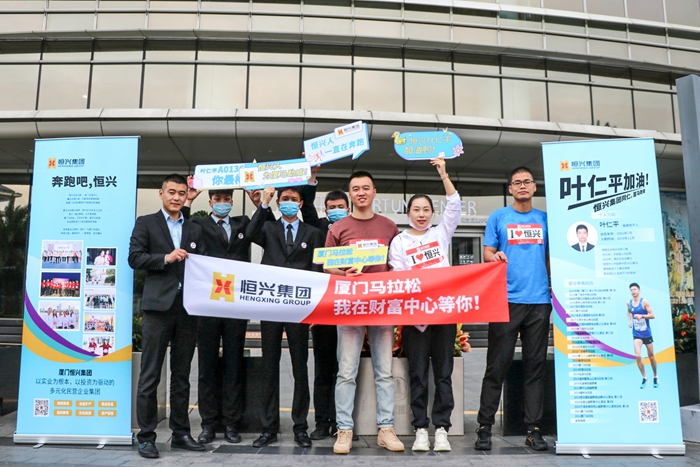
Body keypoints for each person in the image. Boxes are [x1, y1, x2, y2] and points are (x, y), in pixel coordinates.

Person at [182, 181, 275, 445]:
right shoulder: (198, 224)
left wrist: (262, 204)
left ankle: (232, 423)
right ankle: (208, 424)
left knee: (234, 365)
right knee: (207, 366)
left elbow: (266, 231)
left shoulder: (242, 223)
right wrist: (189, 200)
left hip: (235, 303)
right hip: (207, 304)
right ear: (210, 202)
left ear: (232, 202)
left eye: (227, 198)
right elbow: (182, 229)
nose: (223, 202)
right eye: (218, 198)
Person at [128, 173, 206, 459]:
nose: (176, 197)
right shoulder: (146, 223)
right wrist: (165, 258)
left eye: (181, 193)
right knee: (150, 375)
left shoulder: (194, 228)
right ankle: (146, 437)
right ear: (161, 194)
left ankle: (181, 433)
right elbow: (134, 258)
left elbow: (203, 264)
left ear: (187, 196)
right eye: (171, 192)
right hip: (157, 309)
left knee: (182, 375)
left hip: (187, 309)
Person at [326, 171, 404, 455]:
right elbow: (327, 265)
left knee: (385, 371)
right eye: (356, 188)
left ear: (374, 192)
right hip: (350, 307)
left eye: (366, 188)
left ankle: (386, 429)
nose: (361, 192)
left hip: (382, 306)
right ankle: (344, 430)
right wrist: (343, 272)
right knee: (346, 371)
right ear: (350, 194)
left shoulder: (389, 226)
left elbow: (398, 262)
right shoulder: (338, 227)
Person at [474, 166, 551, 452]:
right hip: (505, 301)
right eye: (516, 182)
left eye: (527, 182)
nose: (522, 186)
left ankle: (533, 429)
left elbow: (550, 257)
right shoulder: (498, 217)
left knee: (535, 367)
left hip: (539, 302)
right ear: (510, 189)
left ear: (534, 187)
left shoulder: (545, 219)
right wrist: (495, 256)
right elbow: (487, 253)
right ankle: (484, 428)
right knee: (496, 366)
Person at [388, 157, 459, 452]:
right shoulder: (399, 241)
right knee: (417, 374)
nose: (421, 214)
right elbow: (399, 275)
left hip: (443, 314)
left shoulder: (440, 234)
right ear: (408, 213)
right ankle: (420, 428)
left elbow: (454, 205)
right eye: (416, 209)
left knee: (443, 374)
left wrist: (444, 175)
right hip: (415, 317)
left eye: (426, 209)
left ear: (432, 213)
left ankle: (441, 429)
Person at [250, 185, 325, 448]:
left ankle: (300, 426)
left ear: (301, 204)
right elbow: (250, 233)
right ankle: (268, 427)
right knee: (269, 366)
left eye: (294, 199)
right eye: (285, 199)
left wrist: (315, 306)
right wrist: (263, 204)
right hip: (271, 305)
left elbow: (317, 270)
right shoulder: (268, 228)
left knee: (299, 367)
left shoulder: (312, 233)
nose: (289, 202)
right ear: (278, 203)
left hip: (299, 307)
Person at [300, 167, 350, 440]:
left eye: (341, 207)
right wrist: (311, 177)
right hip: (323, 308)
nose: (336, 211)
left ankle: (345, 422)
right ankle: (322, 421)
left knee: (347, 369)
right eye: (332, 207)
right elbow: (307, 206)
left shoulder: (356, 230)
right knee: (323, 368)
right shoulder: (319, 227)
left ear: (348, 209)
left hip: (352, 308)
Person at [627, 283, 658, 389]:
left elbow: (652, 315)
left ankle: (655, 376)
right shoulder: (629, 303)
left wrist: (642, 316)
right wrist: (630, 321)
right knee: (638, 355)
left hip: (646, 333)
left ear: (639, 290)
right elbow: (629, 312)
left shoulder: (644, 302)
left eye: (635, 289)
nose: (633, 291)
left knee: (651, 356)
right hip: (637, 334)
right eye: (631, 290)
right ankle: (645, 377)